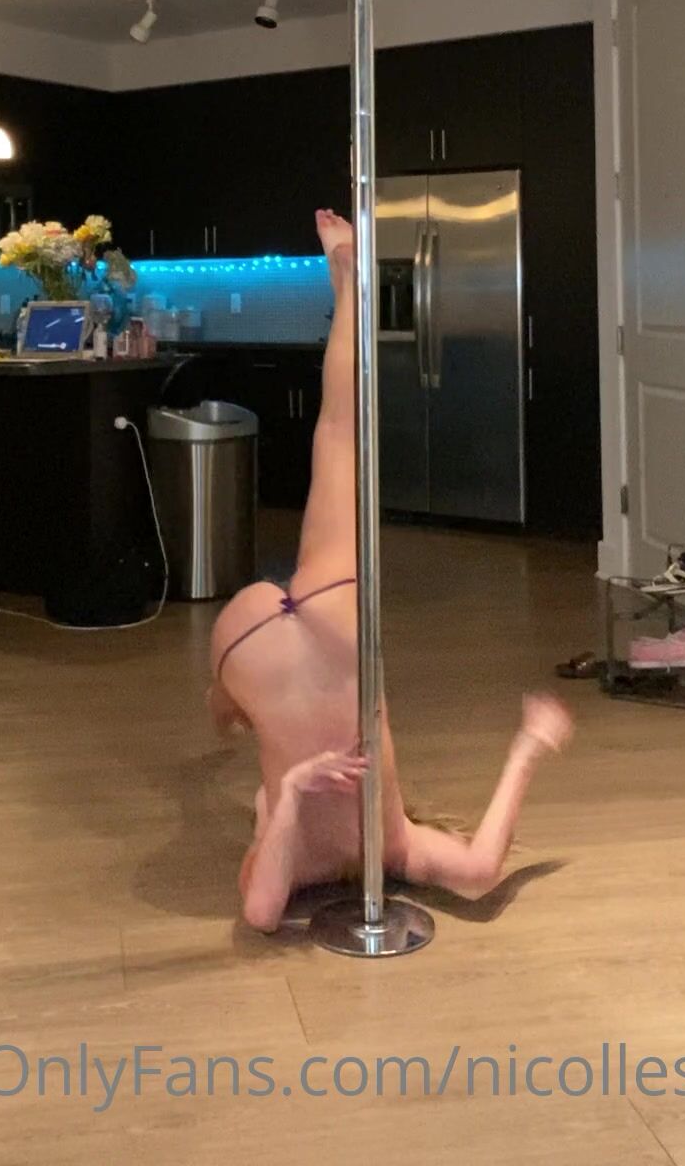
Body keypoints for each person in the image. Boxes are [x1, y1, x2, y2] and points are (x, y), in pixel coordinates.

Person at [209, 209, 574, 933]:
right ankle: (348, 280)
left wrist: (529, 745)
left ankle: (349, 283)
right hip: (264, 646)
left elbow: (262, 913)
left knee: (339, 433)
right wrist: (285, 795)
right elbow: (477, 875)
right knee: (338, 437)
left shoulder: (382, 841)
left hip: (311, 644)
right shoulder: (390, 846)